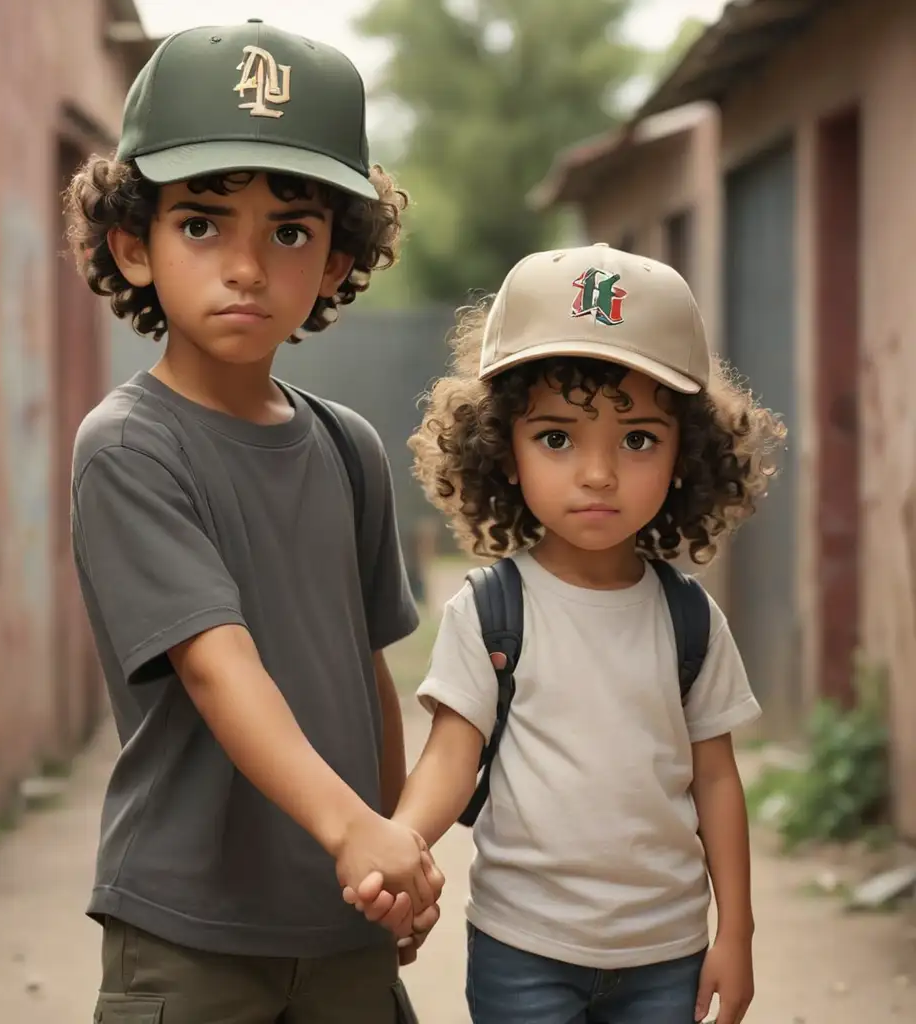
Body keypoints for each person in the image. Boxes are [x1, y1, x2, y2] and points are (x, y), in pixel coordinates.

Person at [65, 18, 441, 1023]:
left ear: (333, 262)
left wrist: (394, 842)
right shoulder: (128, 447)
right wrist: (352, 831)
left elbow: (369, 681)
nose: (245, 264)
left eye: (289, 230)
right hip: (190, 934)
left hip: (340, 919)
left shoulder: (350, 446)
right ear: (131, 247)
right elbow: (217, 664)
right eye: (201, 223)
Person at [345, 244, 786, 1024]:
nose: (598, 474)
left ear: (687, 451)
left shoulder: (691, 620)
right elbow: (452, 755)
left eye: (638, 439)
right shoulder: (488, 613)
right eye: (557, 437)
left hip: (668, 956)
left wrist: (737, 934)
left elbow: (716, 780)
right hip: (523, 953)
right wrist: (399, 848)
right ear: (502, 448)